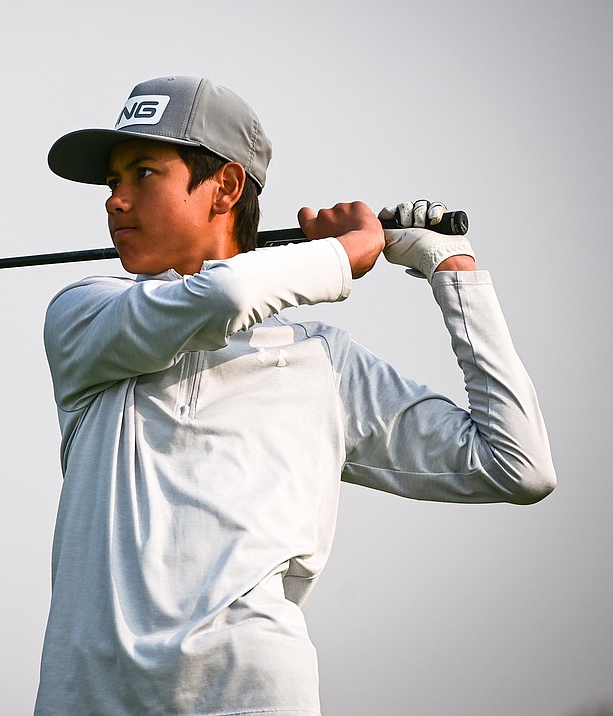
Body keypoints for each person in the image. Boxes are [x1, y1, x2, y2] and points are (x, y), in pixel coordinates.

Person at [34, 76, 555, 716]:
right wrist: (345, 253)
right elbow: (223, 296)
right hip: (91, 700)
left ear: (225, 187)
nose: (115, 201)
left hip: (253, 694)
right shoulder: (86, 314)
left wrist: (454, 273)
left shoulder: (322, 359)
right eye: (113, 182)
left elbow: (517, 465)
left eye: (143, 173)